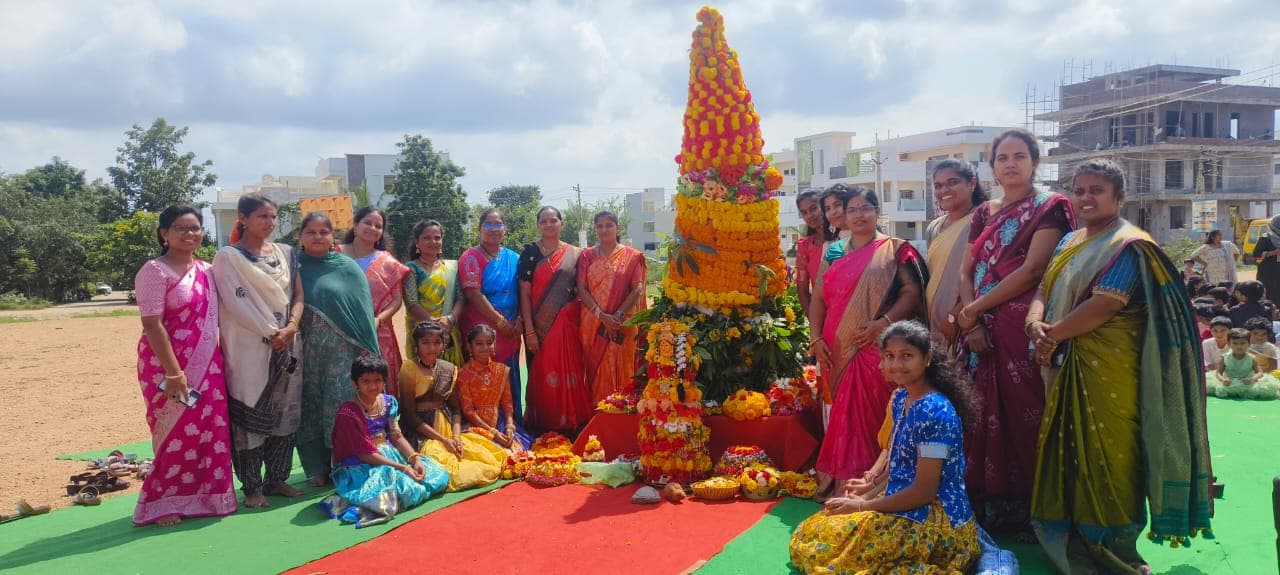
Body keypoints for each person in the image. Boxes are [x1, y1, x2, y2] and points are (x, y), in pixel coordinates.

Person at [1026, 158, 1212, 573]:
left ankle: (1115, 549)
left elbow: (1106, 304)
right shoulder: (1069, 240)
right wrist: (1034, 322)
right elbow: (1043, 287)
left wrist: (1051, 334)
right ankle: (1072, 534)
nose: (1086, 197)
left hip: (1110, 370)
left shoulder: (1128, 245)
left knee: (1112, 455)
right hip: (1062, 359)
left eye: (1097, 190)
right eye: (1080, 189)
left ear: (1119, 197)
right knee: (1068, 446)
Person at [790, 321, 981, 574]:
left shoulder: (936, 412)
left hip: (936, 520)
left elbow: (924, 491)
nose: (897, 364)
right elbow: (901, 466)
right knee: (812, 532)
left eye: (907, 356)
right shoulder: (902, 397)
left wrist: (862, 506)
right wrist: (867, 493)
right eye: (889, 356)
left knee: (836, 557)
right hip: (906, 500)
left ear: (928, 358)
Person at [956, 128, 1074, 533]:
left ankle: (1033, 508)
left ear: (1035, 162)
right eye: (1002, 157)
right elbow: (966, 270)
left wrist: (973, 310)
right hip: (979, 330)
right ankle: (987, 502)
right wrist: (970, 320)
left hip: (1021, 328)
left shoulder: (1050, 208)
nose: (1010, 164)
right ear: (991, 167)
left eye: (1019, 156)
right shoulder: (983, 213)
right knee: (979, 411)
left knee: (1028, 415)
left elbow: (1033, 270)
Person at [809, 187, 927, 485]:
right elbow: (819, 298)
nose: (859, 214)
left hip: (880, 345)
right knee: (844, 414)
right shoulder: (834, 252)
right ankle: (843, 478)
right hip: (837, 345)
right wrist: (815, 338)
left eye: (866, 208)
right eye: (852, 210)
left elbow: (912, 292)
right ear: (844, 217)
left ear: (877, 212)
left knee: (877, 411)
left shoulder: (896, 249)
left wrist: (881, 324)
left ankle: (881, 480)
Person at [132, 205, 237, 526]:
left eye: (195, 228)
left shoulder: (207, 270)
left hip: (209, 366)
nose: (190, 234)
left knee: (210, 430)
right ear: (164, 234)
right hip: (168, 368)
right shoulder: (154, 271)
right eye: (181, 228)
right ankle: (164, 502)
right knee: (174, 430)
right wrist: (174, 373)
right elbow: (152, 324)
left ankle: (208, 497)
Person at [212, 193, 305, 509]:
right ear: (243, 218)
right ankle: (252, 487)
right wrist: (270, 333)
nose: (270, 222)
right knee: (250, 414)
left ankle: (277, 479)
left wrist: (291, 327)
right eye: (262, 216)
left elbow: (298, 295)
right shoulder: (228, 258)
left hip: (289, 343)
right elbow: (235, 303)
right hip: (249, 348)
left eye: (273, 216)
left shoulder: (287, 254)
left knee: (285, 412)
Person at [296, 213, 383, 487]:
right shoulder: (292, 268)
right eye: (311, 232)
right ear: (301, 236)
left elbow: (363, 312)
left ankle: (345, 463)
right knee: (309, 409)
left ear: (333, 236)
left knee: (340, 408)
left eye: (324, 232)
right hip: (305, 353)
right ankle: (315, 468)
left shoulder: (347, 268)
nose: (318, 237)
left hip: (343, 355)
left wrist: (366, 355)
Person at [321, 356, 449, 527]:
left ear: (384, 381)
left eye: (378, 380)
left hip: (389, 455)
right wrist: (403, 468)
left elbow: (396, 436)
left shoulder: (388, 402)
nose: (373, 386)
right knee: (403, 491)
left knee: (438, 474)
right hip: (361, 466)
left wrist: (414, 458)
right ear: (355, 383)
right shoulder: (348, 413)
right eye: (366, 381)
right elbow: (365, 454)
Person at [399, 322, 505, 491]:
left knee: (489, 456)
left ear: (443, 345)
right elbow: (409, 416)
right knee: (454, 471)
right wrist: (443, 441)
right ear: (416, 345)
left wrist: (455, 437)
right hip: (421, 433)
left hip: (448, 428)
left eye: (436, 343)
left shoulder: (448, 369)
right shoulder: (409, 369)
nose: (431, 348)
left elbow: (455, 408)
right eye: (425, 343)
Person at [519, 206, 591, 433]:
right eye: (544, 221)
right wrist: (529, 331)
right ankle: (545, 427)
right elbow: (525, 294)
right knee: (543, 374)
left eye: (553, 220)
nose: (548, 225)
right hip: (539, 328)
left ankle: (573, 423)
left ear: (562, 224)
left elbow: (583, 289)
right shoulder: (530, 253)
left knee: (572, 371)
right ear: (538, 225)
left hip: (569, 325)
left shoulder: (577, 254)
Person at [458, 208, 524, 422]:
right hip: (482, 329)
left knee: (509, 376)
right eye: (488, 224)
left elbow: (524, 291)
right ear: (479, 228)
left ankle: (513, 426)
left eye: (498, 225)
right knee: (482, 378)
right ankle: (485, 427)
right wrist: (499, 321)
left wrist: (519, 321)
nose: (493, 229)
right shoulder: (471, 257)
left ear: (505, 229)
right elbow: (472, 293)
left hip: (511, 331)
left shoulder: (514, 258)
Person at [577, 210, 648, 402]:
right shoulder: (586, 256)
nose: (604, 229)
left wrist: (617, 316)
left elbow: (637, 288)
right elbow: (581, 289)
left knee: (624, 365)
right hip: (593, 323)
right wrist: (601, 316)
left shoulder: (632, 257)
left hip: (622, 324)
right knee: (596, 367)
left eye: (609, 225)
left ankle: (624, 410)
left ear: (618, 228)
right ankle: (597, 415)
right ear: (595, 229)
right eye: (599, 226)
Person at [340, 207, 410, 395]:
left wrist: (379, 320)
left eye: (378, 226)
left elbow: (396, 299)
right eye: (367, 223)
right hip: (340, 330)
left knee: (376, 383)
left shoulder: (388, 262)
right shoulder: (335, 254)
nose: (372, 228)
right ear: (355, 225)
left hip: (378, 332)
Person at [925, 159, 988, 352]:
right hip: (934, 326)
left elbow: (986, 276)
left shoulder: (984, 220)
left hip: (971, 322)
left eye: (953, 182)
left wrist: (957, 315)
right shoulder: (934, 227)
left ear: (972, 183)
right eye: (938, 185)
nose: (944, 190)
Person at [458, 324, 532, 451]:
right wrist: (493, 432)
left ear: (494, 346)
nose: (485, 347)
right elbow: (468, 411)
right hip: (477, 425)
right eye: (479, 343)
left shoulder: (501, 370)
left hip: (500, 422)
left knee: (517, 451)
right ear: (469, 346)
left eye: (489, 343)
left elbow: (507, 403)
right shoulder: (463, 374)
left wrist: (509, 425)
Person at [402, 219, 464, 366]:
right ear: (417, 242)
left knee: (451, 378)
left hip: (449, 331)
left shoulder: (452, 267)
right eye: (426, 237)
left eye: (437, 237)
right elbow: (412, 303)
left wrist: (449, 320)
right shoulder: (410, 268)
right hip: (422, 333)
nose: (433, 241)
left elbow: (460, 298)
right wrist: (435, 327)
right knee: (423, 378)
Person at [1207, 328, 1280, 400]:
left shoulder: (1252, 358)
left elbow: (1260, 372)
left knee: (1261, 389)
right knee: (1220, 391)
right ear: (1229, 344)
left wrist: (1252, 379)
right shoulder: (1224, 357)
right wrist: (1223, 380)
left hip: (1246, 382)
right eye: (1235, 343)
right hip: (1229, 381)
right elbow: (1218, 372)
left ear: (1249, 344)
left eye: (1242, 343)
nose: (1239, 346)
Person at [793, 190, 830, 318]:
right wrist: (813, 319)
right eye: (804, 212)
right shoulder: (804, 246)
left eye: (813, 208)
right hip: (822, 316)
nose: (809, 215)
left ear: (824, 206)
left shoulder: (844, 238)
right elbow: (802, 288)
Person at [1255, 215, 1280, 302]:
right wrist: (1273, 253)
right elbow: (1256, 254)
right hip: (1268, 272)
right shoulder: (1265, 238)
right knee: (1269, 294)